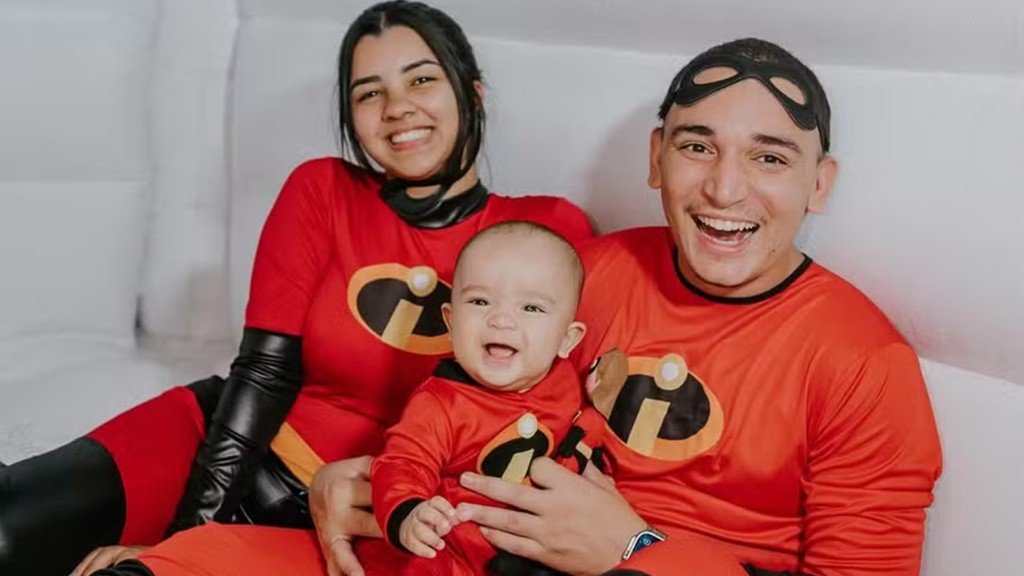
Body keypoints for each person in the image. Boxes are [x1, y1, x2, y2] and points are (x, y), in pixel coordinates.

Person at [79, 37, 942, 576]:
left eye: (770, 158)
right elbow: (457, 404)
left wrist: (635, 548)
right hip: (462, 549)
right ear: (655, 159)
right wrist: (363, 478)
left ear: (820, 184)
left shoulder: (863, 363)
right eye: (696, 147)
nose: (724, 188)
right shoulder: (579, 274)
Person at [0, 3, 591, 576]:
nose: (397, 108)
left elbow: (565, 408)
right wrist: (186, 538)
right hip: (225, 447)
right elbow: (264, 373)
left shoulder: (546, 233)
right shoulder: (322, 189)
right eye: (369, 93)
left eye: (421, 80)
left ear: (473, 93)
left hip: (371, 514)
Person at [359, 221, 590, 575]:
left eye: (531, 308)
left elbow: (577, 433)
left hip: (532, 549)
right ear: (451, 323)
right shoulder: (440, 403)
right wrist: (409, 513)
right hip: (452, 544)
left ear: (566, 339)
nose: (501, 319)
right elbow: (403, 462)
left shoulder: (564, 383)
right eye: (480, 301)